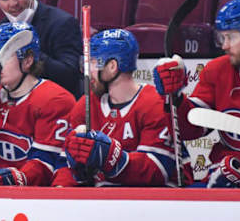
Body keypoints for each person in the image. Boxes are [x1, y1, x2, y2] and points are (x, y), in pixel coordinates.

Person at [55, 29, 192, 187]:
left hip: (157, 202)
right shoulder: (85, 106)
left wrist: (113, 158)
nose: (85, 71)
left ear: (112, 66)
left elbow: (157, 170)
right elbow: (63, 166)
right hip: (104, 203)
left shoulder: (154, 103)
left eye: (92, 63)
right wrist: (75, 172)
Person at [153, 0, 240, 188]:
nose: (224, 45)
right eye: (222, 37)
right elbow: (190, 129)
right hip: (222, 177)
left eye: (230, 37)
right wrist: (175, 98)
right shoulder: (217, 70)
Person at [0, 22, 75, 186]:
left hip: (31, 195)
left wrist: (16, 178)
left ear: (28, 60)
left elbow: (47, 163)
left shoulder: (55, 100)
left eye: (4, 59)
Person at [0, 0, 83, 99]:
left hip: (55, 106)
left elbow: (70, 76)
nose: (13, 3)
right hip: (13, 108)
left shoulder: (62, 23)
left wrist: (28, 48)